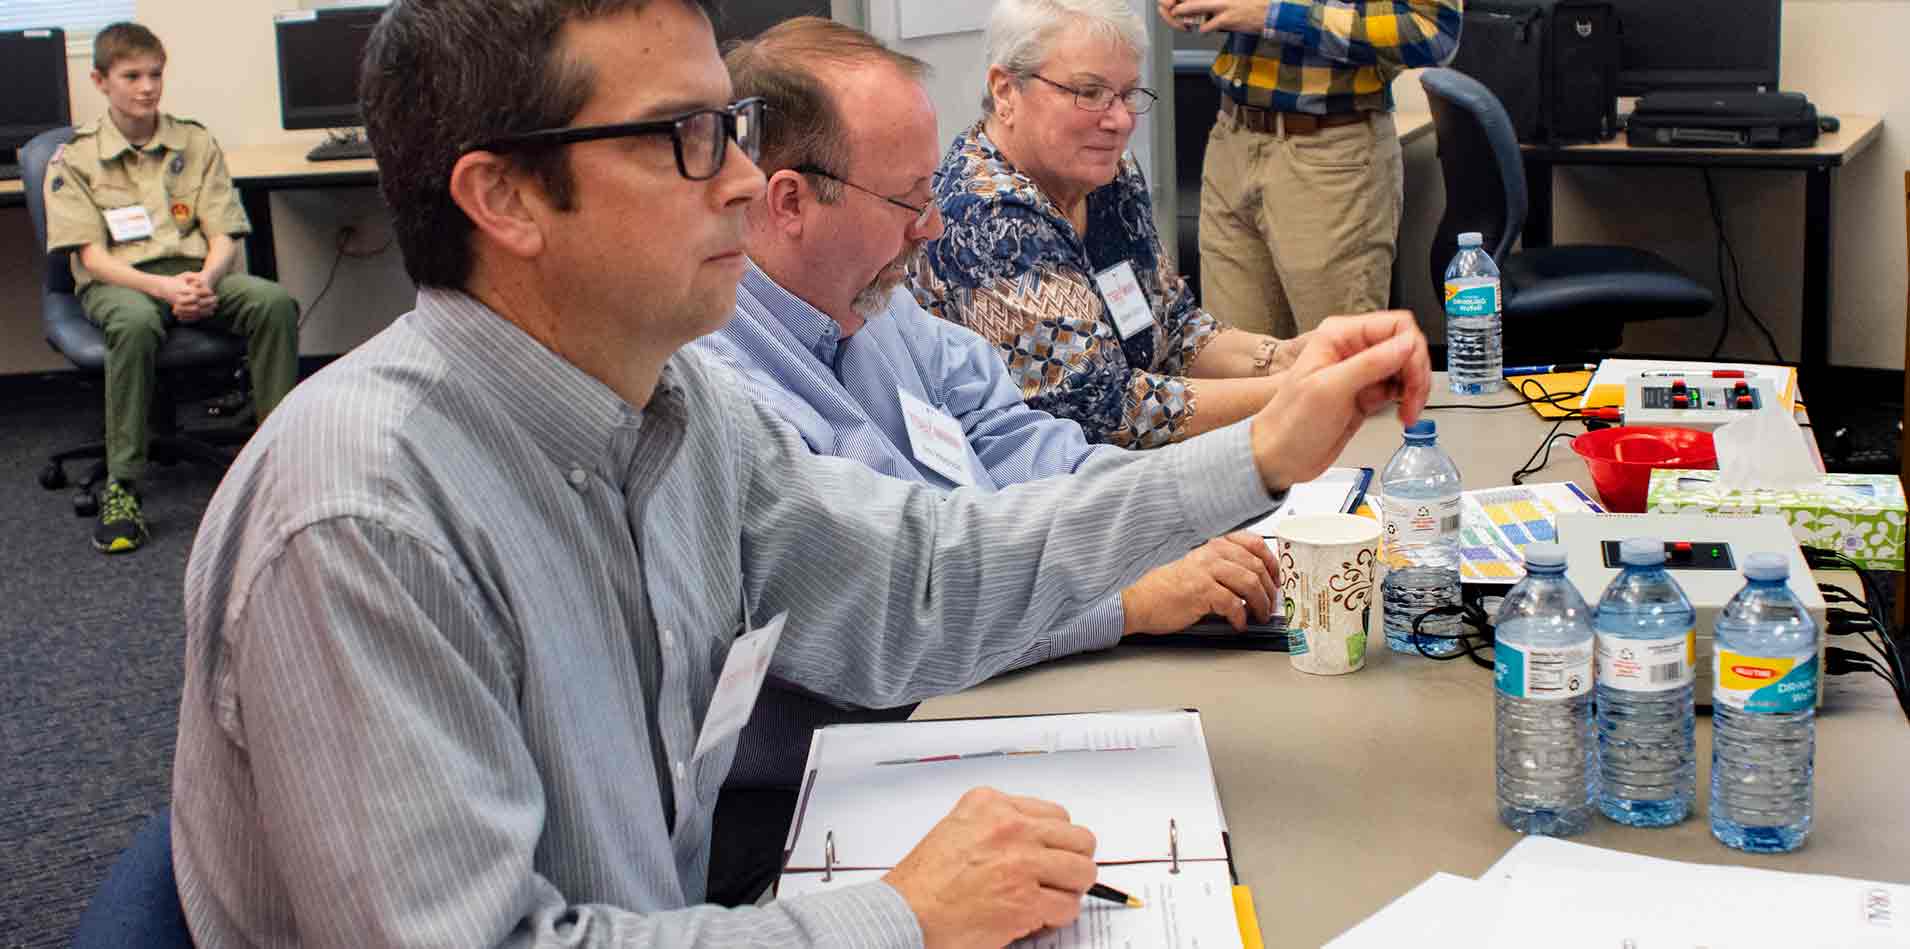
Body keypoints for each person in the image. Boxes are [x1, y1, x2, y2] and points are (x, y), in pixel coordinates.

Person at [169, 1, 1430, 946]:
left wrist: (1261, 452)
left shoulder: (676, 405)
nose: (737, 182)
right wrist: (897, 918)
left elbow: (916, 587)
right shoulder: (364, 518)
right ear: (502, 196)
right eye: (687, 136)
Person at [694, 18, 1283, 902]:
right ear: (787, 203)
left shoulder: (876, 302)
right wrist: (1120, 595)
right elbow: (902, 597)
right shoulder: (722, 387)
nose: (934, 226)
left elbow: (1023, 444)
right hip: (804, 809)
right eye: (907, 200)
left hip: (941, 714)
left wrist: (1174, 519)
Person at [911, 0, 1328, 450]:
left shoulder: (1107, 175)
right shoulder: (989, 215)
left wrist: (1282, 358)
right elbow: (1098, 409)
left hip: (1118, 471)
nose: (1120, 121)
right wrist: (1293, 392)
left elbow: (1174, 323)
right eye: (1089, 93)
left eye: (1127, 94)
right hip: (1023, 488)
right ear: (1005, 91)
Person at [42, 22, 300, 554]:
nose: (146, 87)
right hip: (123, 281)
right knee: (134, 324)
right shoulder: (76, 159)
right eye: (131, 76)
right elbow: (90, 258)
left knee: (273, 303)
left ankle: (275, 461)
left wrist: (204, 281)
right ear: (100, 80)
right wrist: (163, 291)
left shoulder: (193, 141)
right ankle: (123, 484)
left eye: (155, 74)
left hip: (193, 273)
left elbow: (223, 233)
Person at [1158, 0, 1462, 337]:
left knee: (1338, 369)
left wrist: (1274, 16)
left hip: (1329, 151)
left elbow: (1433, 33)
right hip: (1232, 136)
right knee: (1237, 367)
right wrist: (1199, 8)